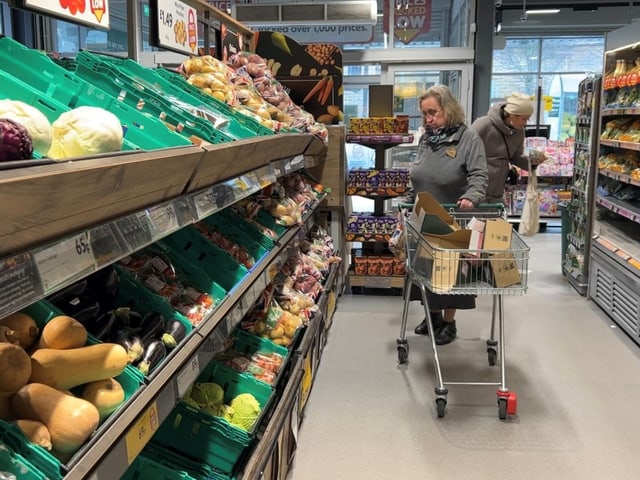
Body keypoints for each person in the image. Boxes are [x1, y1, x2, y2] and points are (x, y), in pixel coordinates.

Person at [410, 85, 488, 345]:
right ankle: (431, 316)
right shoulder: (426, 139)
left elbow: (478, 176)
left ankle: (449, 322)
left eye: (433, 112)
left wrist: (471, 196)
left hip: (454, 216)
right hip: (424, 216)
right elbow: (421, 172)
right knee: (425, 271)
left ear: (449, 109)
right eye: (424, 114)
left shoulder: (468, 138)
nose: (428, 119)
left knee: (450, 275)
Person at [470, 92, 543, 204]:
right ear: (512, 115)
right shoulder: (483, 124)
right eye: (524, 119)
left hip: (497, 193)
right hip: (475, 192)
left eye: (527, 119)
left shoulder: (519, 132)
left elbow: (516, 157)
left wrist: (532, 162)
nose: (525, 123)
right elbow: (466, 151)